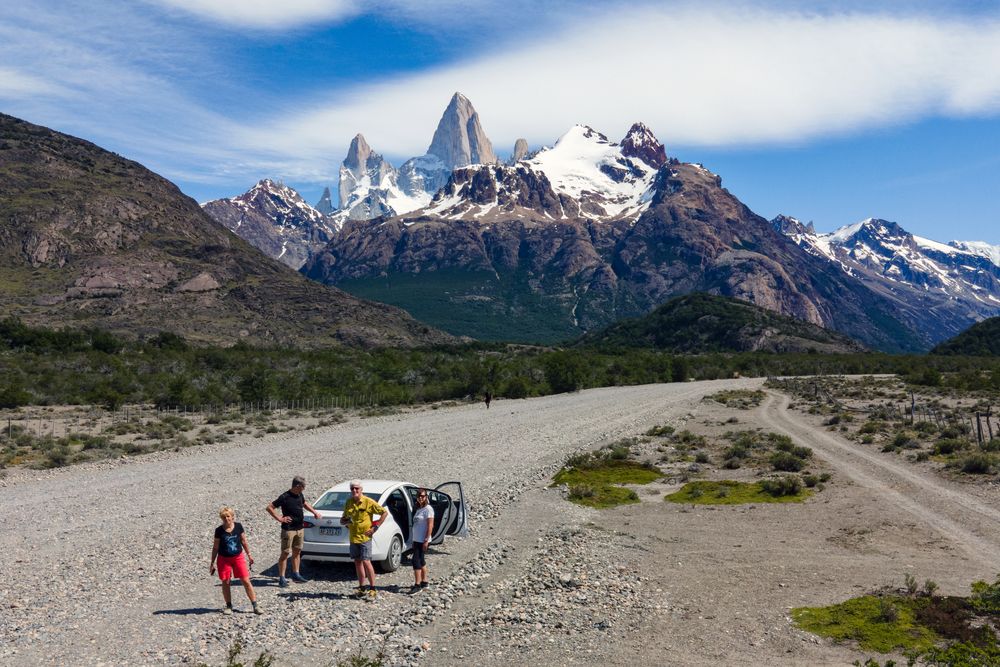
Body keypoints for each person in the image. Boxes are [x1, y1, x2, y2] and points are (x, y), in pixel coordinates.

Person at [267, 476, 321, 587]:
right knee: (285, 553)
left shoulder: (299, 495)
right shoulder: (284, 497)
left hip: (299, 528)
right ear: (297, 486)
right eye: (303, 487)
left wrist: (314, 512)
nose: (304, 489)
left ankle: (296, 574)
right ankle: (282, 577)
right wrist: (280, 519)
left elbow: (304, 503)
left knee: (297, 552)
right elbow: (269, 507)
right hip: (288, 530)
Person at [209, 507, 262, 615]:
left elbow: (243, 541)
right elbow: (215, 547)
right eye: (224, 517)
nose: (226, 519)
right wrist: (212, 562)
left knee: (246, 580)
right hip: (223, 559)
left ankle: (255, 605)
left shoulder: (238, 526)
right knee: (226, 582)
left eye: (228, 516)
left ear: (232, 517)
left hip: (238, 557)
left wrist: (249, 555)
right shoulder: (219, 530)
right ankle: (228, 606)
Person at [340, 480, 387, 600]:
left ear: (361, 490)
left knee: (366, 561)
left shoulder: (368, 502)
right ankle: (362, 587)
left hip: (365, 537)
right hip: (353, 537)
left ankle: (373, 588)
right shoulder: (349, 502)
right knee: (357, 562)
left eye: (357, 489)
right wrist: (344, 521)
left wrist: (375, 527)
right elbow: (344, 518)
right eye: (352, 489)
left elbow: (384, 513)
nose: (354, 491)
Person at [409, 488, 434, 593]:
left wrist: (426, 540)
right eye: (419, 496)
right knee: (421, 560)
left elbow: (430, 525)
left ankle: (417, 585)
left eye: (423, 496)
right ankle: (424, 582)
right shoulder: (419, 508)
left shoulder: (428, 509)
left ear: (426, 497)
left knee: (416, 561)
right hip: (416, 539)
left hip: (422, 540)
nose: (420, 498)